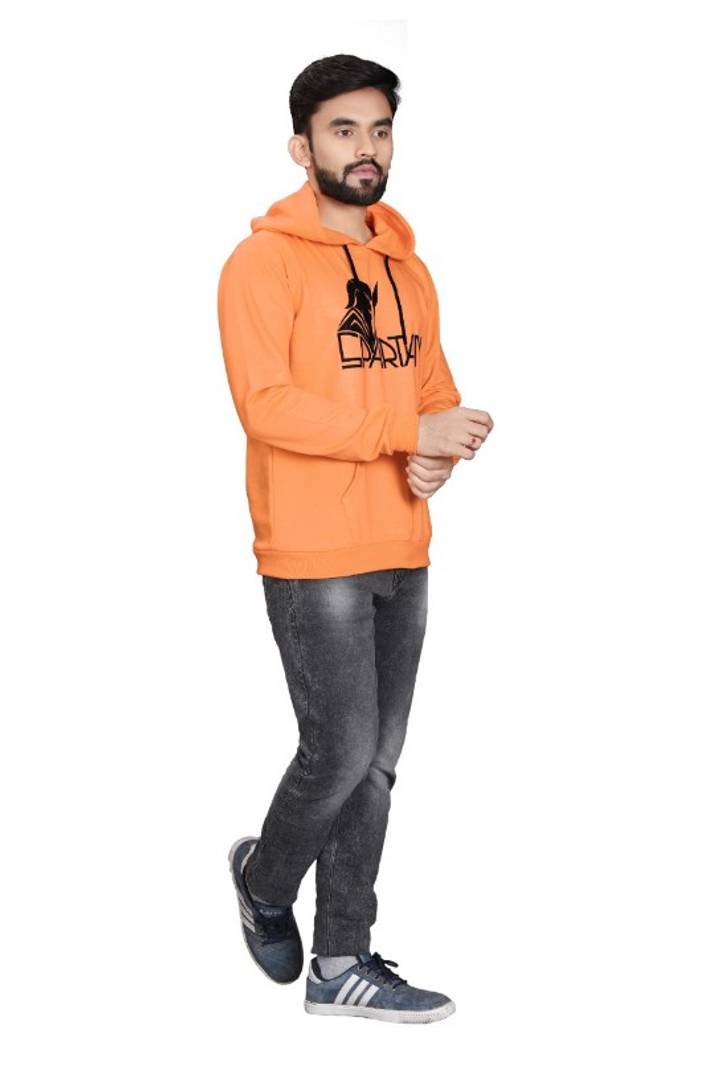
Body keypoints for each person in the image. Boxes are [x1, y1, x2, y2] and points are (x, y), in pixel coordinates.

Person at [217, 53, 493, 1024]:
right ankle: (264, 879)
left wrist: (439, 453)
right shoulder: (261, 263)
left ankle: (339, 962)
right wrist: (405, 432)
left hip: (401, 545)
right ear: (301, 147)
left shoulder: (406, 267)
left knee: (375, 763)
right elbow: (267, 406)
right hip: (311, 548)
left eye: (379, 129)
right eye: (343, 130)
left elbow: (431, 393)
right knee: (337, 754)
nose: (365, 147)